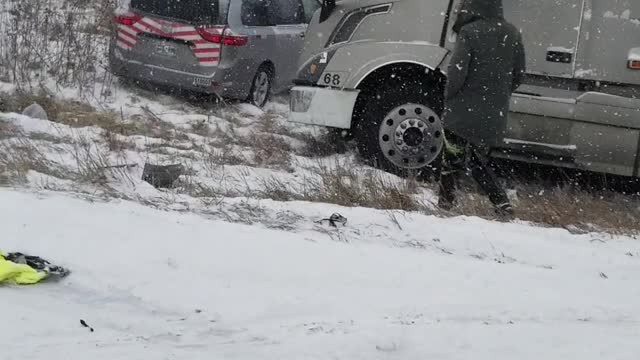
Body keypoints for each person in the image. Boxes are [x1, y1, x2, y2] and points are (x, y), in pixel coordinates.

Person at [438, 0, 526, 217]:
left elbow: (457, 72)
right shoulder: (512, 33)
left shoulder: (469, 32)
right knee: (479, 162)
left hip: (461, 110)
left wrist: (448, 96)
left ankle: (445, 204)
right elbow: (519, 74)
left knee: (452, 158)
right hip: (493, 112)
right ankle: (501, 202)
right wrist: (498, 95)